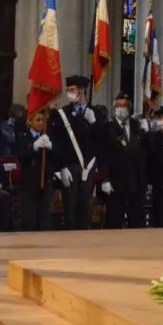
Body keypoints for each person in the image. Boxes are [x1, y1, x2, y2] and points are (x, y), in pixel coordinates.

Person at [53, 75, 101, 230]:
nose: (69, 93)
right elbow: (58, 142)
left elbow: (104, 139)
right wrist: (61, 167)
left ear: (82, 92)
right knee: (70, 209)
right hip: (71, 166)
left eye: (72, 90)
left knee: (84, 207)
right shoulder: (62, 114)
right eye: (68, 90)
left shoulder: (96, 113)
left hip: (88, 167)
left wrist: (94, 123)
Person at [99, 93, 148, 229]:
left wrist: (147, 134)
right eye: (119, 106)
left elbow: (145, 152)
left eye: (124, 105)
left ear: (129, 108)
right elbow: (103, 156)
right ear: (114, 107)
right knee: (114, 221)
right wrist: (105, 179)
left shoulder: (137, 126)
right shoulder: (107, 127)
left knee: (137, 221)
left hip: (135, 183)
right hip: (115, 183)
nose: (122, 108)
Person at [16, 109, 55, 232]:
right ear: (30, 121)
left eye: (43, 120)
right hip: (29, 183)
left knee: (44, 217)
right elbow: (21, 155)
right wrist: (33, 146)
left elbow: (57, 156)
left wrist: (51, 148)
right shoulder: (23, 136)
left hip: (45, 181)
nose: (41, 123)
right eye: (38, 120)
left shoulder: (48, 136)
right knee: (30, 218)